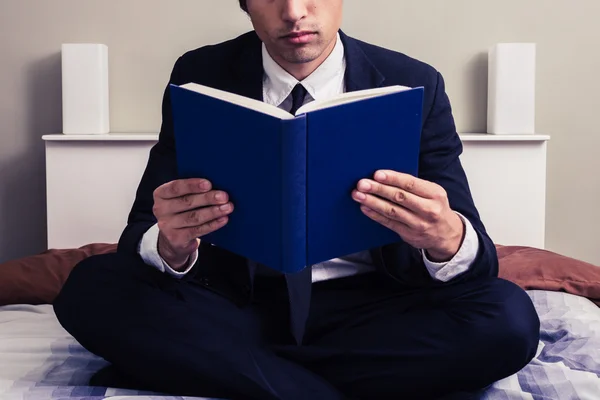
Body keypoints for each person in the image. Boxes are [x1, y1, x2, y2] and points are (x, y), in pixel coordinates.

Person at [53, 1, 541, 399]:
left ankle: (245, 377)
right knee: (90, 288)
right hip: (236, 306)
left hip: (374, 309)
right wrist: (172, 245)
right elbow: (141, 230)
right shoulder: (200, 72)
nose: (293, 12)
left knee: (509, 320)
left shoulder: (415, 82)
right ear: (244, 4)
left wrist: (446, 238)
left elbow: (477, 264)